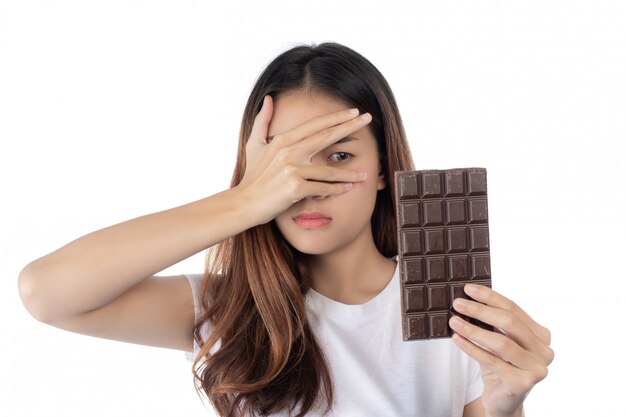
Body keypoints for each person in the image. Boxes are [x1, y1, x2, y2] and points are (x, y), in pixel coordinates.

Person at [18, 42, 553, 417]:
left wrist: (506, 405)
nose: (308, 186)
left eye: (338, 156)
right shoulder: (227, 308)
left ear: (386, 167)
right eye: (285, 163)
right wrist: (247, 198)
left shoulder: (457, 313)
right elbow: (47, 292)